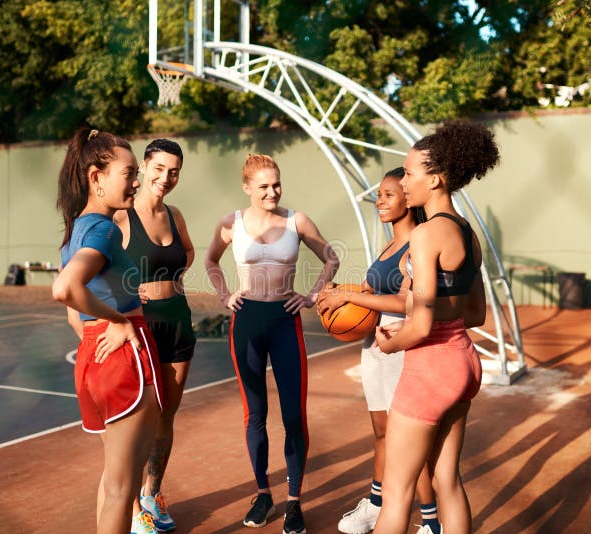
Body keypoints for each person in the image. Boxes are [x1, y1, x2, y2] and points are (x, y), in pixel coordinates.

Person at [372, 120, 497, 534]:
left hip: (430, 367)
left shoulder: (426, 235)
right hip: (464, 361)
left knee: (396, 491)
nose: (404, 182)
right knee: (447, 481)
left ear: (436, 178)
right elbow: (475, 314)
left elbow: (421, 323)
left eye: (409, 173)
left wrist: (389, 345)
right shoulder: (467, 233)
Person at [204, 154, 339, 534]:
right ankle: (263, 493)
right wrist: (223, 294)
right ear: (247, 188)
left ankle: (294, 501)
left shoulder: (297, 220)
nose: (272, 191)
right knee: (255, 414)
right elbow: (211, 261)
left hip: (285, 321)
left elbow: (330, 259)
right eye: (263, 186)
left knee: (294, 414)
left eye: (276, 184)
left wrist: (311, 296)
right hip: (246, 321)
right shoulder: (232, 222)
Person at [316, 168, 441, 534]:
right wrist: (337, 294)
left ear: (407, 197)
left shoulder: (418, 240)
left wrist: (349, 296)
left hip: (402, 345)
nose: (380, 202)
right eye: (379, 196)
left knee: (407, 440)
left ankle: (431, 520)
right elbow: (371, 295)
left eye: (388, 194)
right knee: (382, 431)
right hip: (375, 346)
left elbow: (411, 301)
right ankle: (376, 503)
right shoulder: (387, 246)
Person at [52, 127, 163, 534]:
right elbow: (65, 290)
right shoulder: (104, 228)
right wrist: (118, 322)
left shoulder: (72, 232)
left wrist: (99, 334)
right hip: (123, 355)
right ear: (96, 178)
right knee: (123, 487)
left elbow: (73, 316)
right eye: (128, 172)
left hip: (94, 357)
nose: (137, 182)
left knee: (112, 482)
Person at [113, 139, 195, 533]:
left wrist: (170, 282)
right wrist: (132, 289)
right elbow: (97, 265)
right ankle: (132, 511)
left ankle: (151, 494)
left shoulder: (175, 214)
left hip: (178, 321)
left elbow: (189, 252)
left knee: (167, 417)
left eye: (174, 171)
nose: (167, 177)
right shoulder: (121, 218)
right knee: (138, 421)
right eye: (159, 168)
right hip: (141, 328)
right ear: (144, 167)